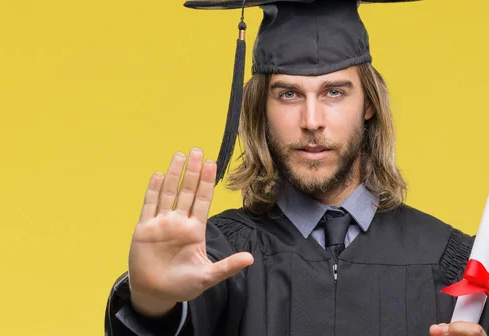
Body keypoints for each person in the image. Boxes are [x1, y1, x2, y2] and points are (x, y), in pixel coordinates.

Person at [105, 0, 489, 335]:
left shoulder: (453, 263)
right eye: (288, 94)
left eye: (334, 92)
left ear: (368, 104)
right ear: (261, 109)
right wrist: (152, 304)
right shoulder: (217, 256)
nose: (311, 120)